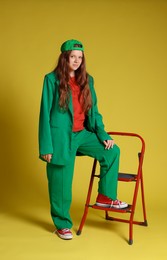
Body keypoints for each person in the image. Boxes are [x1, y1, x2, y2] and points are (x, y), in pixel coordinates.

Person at [38, 39, 128, 240]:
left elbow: (93, 110)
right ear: (65, 58)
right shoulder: (51, 79)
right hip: (60, 137)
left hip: (83, 134)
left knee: (112, 151)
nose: (77, 60)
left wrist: (103, 135)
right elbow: (44, 113)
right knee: (61, 182)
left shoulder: (88, 80)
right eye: (73, 57)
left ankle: (105, 196)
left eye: (80, 57)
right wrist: (46, 146)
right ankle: (62, 224)